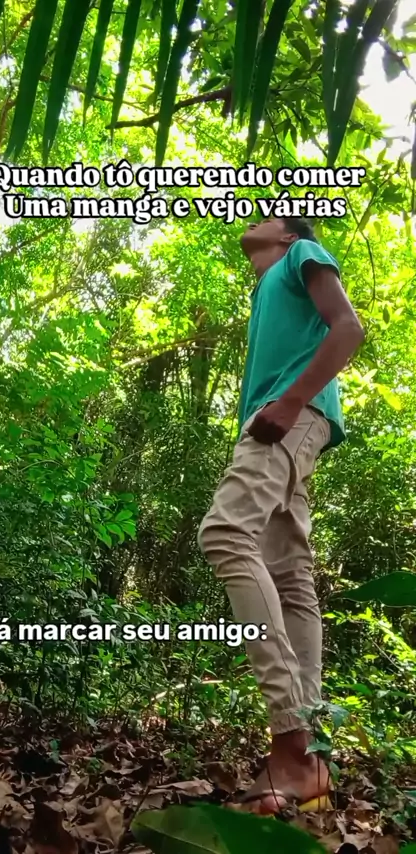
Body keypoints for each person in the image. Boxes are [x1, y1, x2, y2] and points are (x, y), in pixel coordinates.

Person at [198, 217, 364, 815]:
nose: (252, 216)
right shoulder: (267, 287)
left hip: (288, 415)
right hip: (288, 418)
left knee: (225, 534)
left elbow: (348, 328)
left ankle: (291, 742)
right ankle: (310, 756)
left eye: (267, 214)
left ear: (289, 235)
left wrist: (291, 402)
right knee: (292, 578)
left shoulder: (302, 255)